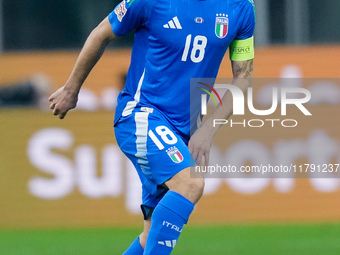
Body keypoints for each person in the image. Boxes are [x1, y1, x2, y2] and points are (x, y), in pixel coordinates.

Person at [49, 0, 255, 254]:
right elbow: (102, 33)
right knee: (190, 184)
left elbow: (244, 76)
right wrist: (72, 89)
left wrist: (207, 129)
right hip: (140, 115)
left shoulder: (240, 8)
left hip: (183, 130)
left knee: (150, 237)